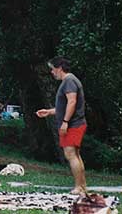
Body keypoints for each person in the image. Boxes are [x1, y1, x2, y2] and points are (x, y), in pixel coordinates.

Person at [36, 56, 87, 195]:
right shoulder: (70, 81)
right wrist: (49, 112)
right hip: (74, 123)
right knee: (75, 155)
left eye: (53, 69)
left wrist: (65, 122)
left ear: (59, 68)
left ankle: (79, 187)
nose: (52, 72)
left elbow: (72, 102)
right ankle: (82, 186)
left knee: (71, 155)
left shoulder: (69, 81)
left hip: (73, 124)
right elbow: (65, 106)